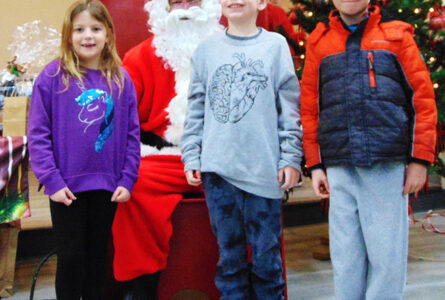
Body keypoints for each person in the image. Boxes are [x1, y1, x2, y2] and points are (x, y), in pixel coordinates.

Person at [300, 1, 437, 299]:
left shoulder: (397, 36)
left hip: (386, 166)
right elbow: (309, 107)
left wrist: (419, 160)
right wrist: (315, 164)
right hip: (339, 166)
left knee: (386, 253)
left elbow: (423, 100)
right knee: (346, 254)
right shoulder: (319, 42)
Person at [180, 0, 303, 298]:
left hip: (264, 172)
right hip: (218, 173)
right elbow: (196, 108)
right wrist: (191, 155)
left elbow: (289, 109)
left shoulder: (275, 46)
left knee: (266, 259)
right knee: (230, 259)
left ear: (262, 2)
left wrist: (291, 157)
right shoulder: (207, 51)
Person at [27, 1, 140, 299]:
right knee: (72, 257)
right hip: (66, 188)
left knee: (96, 257)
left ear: (108, 34)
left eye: (95, 28)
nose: (87, 36)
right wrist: (52, 181)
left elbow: (132, 133)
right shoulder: (51, 78)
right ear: (68, 35)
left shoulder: (121, 79)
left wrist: (128, 178)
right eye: (79, 29)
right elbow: (38, 136)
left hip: (108, 186)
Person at [110, 0, 223, 298]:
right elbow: (121, 120)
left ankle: (245, 278)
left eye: (193, 1)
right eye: (177, 2)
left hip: (219, 156)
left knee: (247, 187)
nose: (185, 8)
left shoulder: (227, 50)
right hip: (163, 158)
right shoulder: (139, 57)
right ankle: (141, 288)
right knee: (135, 186)